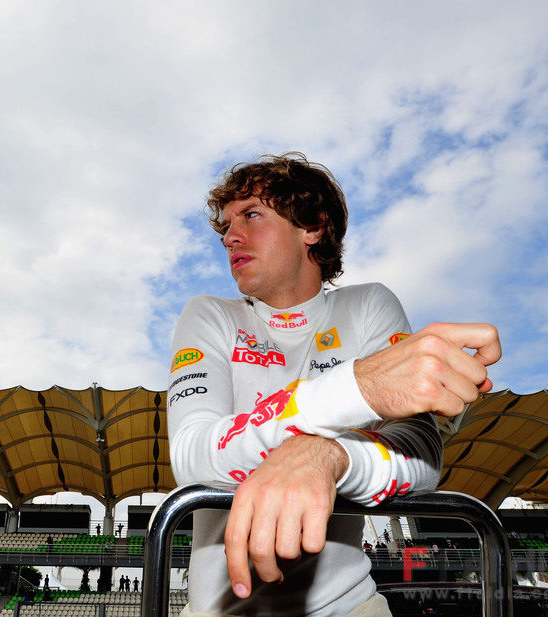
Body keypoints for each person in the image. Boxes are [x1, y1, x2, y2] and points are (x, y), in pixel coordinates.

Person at [168, 153, 500, 616]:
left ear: (312, 227)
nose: (229, 236)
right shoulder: (210, 314)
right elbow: (193, 457)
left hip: (351, 605)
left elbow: (422, 459)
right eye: (225, 225)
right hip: (219, 609)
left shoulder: (368, 305)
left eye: (251, 215)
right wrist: (358, 387)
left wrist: (329, 455)